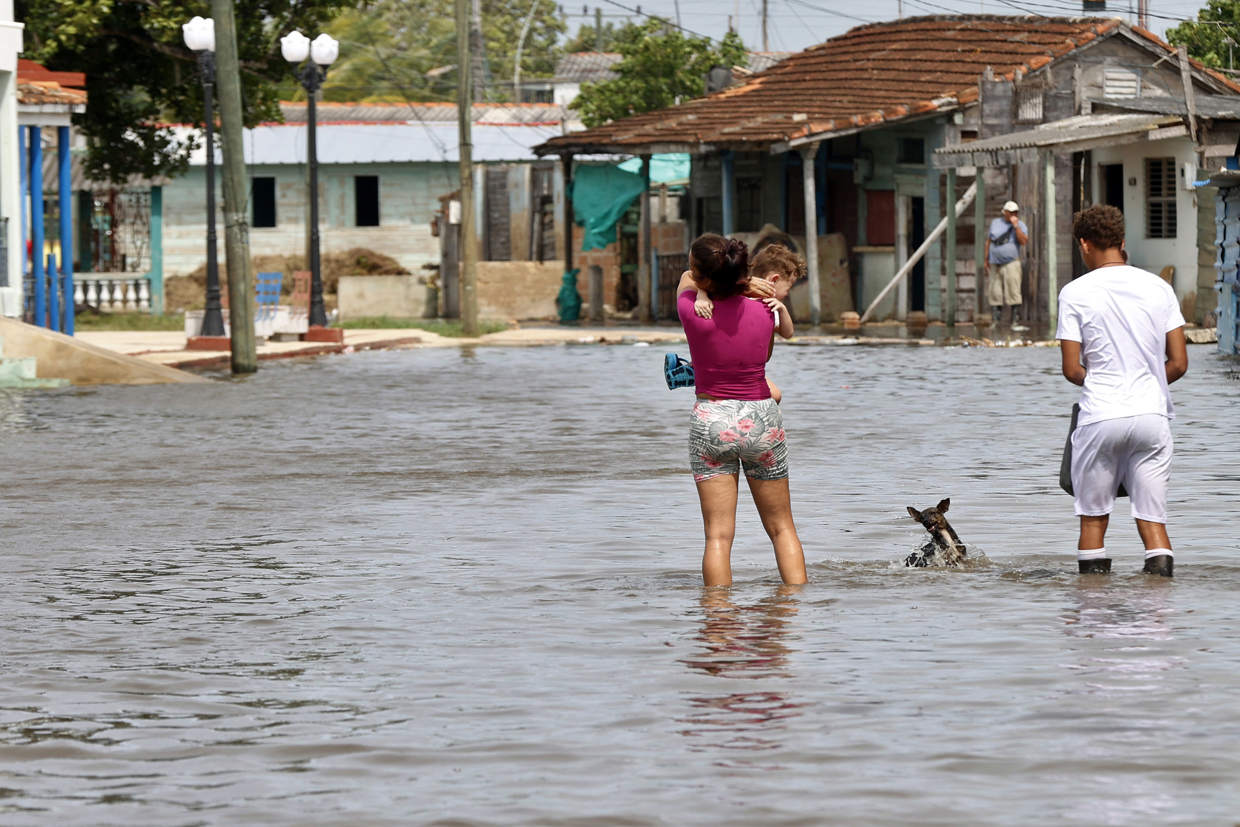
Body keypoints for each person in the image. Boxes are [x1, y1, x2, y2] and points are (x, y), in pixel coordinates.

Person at [1057, 205, 1188, 577]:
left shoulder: (1075, 292)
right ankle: (1157, 620)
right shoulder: (1159, 287)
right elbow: (1178, 362)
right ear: (1122, 241)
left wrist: (1105, 380)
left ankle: (1093, 616)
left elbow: (1071, 369)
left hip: (1101, 417)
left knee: (1094, 522)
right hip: (1151, 418)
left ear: (1084, 243)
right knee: (1153, 523)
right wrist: (1143, 381)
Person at [677, 234, 808, 587]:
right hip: (761, 419)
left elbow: (686, 280)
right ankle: (795, 611)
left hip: (712, 420)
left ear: (705, 278)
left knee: (718, 537)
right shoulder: (766, 310)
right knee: (782, 529)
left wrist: (716, 285)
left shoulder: (691, 309)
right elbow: (764, 357)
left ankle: (718, 621)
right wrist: (749, 284)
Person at [690, 243, 804, 403]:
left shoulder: (772, 306)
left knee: (775, 395)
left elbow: (788, 333)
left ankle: (693, 368)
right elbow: (707, 285)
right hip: (729, 361)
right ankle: (693, 367)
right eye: (788, 287)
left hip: (749, 369)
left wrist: (783, 311)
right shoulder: (739, 298)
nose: (787, 293)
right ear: (774, 279)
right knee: (773, 395)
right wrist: (702, 295)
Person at [985, 200, 1029, 327]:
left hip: (1011, 263)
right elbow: (988, 242)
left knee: (1013, 291)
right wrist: (986, 260)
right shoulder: (995, 223)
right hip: (995, 263)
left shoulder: (1020, 225)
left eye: (1015, 212)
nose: (1013, 214)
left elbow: (1023, 241)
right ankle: (996, 321)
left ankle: (1015, 321)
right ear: (1004, 212)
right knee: (995, 292)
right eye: (1010, 212)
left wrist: (1016, 226)